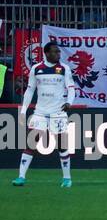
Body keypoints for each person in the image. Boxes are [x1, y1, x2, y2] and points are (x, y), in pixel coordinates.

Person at [13, 41, 77, 188]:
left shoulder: (64, 69)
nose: (58, 54)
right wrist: (23, 111)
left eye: (59, 52)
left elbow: (71, 88)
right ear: (47, 53)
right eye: (55, 52)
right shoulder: (36, 69)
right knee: (30, 143)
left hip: (58, 113)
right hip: (40, 113)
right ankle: (21, 177)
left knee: (62, 145)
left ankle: (67, 178)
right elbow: (30, 91)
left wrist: (69, 102)